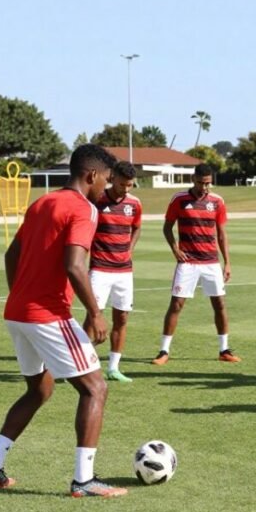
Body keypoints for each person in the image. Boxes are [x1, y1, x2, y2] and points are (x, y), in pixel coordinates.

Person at [0, 144, 126, 498]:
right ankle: (84, 481)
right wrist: (95, 311)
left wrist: (21, 294)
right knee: (95, 388)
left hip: (18, 313)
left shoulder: (42, 203)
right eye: (106, 179)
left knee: (40, 389)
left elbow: (11, 254)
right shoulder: (84, 209)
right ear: (92, 175)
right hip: (47, 315)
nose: (106, 186)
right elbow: (75, 265)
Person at [151, 164, 239, 365]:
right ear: (194, 179)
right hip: (188, 262)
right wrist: (175, 249)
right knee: (176, 304)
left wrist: (227, 263)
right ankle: (164, 351)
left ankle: (224, 349)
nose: (205, 187)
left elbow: (222, 234)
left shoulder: (217, 201)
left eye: (208, 183)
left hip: (211, 262)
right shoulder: (179, 199)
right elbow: (167, 227)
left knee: (219, 304)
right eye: (201, 182)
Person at [87, 161, 142, 382]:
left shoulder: (135, 204)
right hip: (99, 269)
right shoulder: (97, 200)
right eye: (122, 184)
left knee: (122, 317)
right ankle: (82, 363)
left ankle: (113, 367)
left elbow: (137, 227)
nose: (125, 189)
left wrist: (130, 248)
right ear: (112, 179)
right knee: (93, 317)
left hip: (124, 271)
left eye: (130, 185)